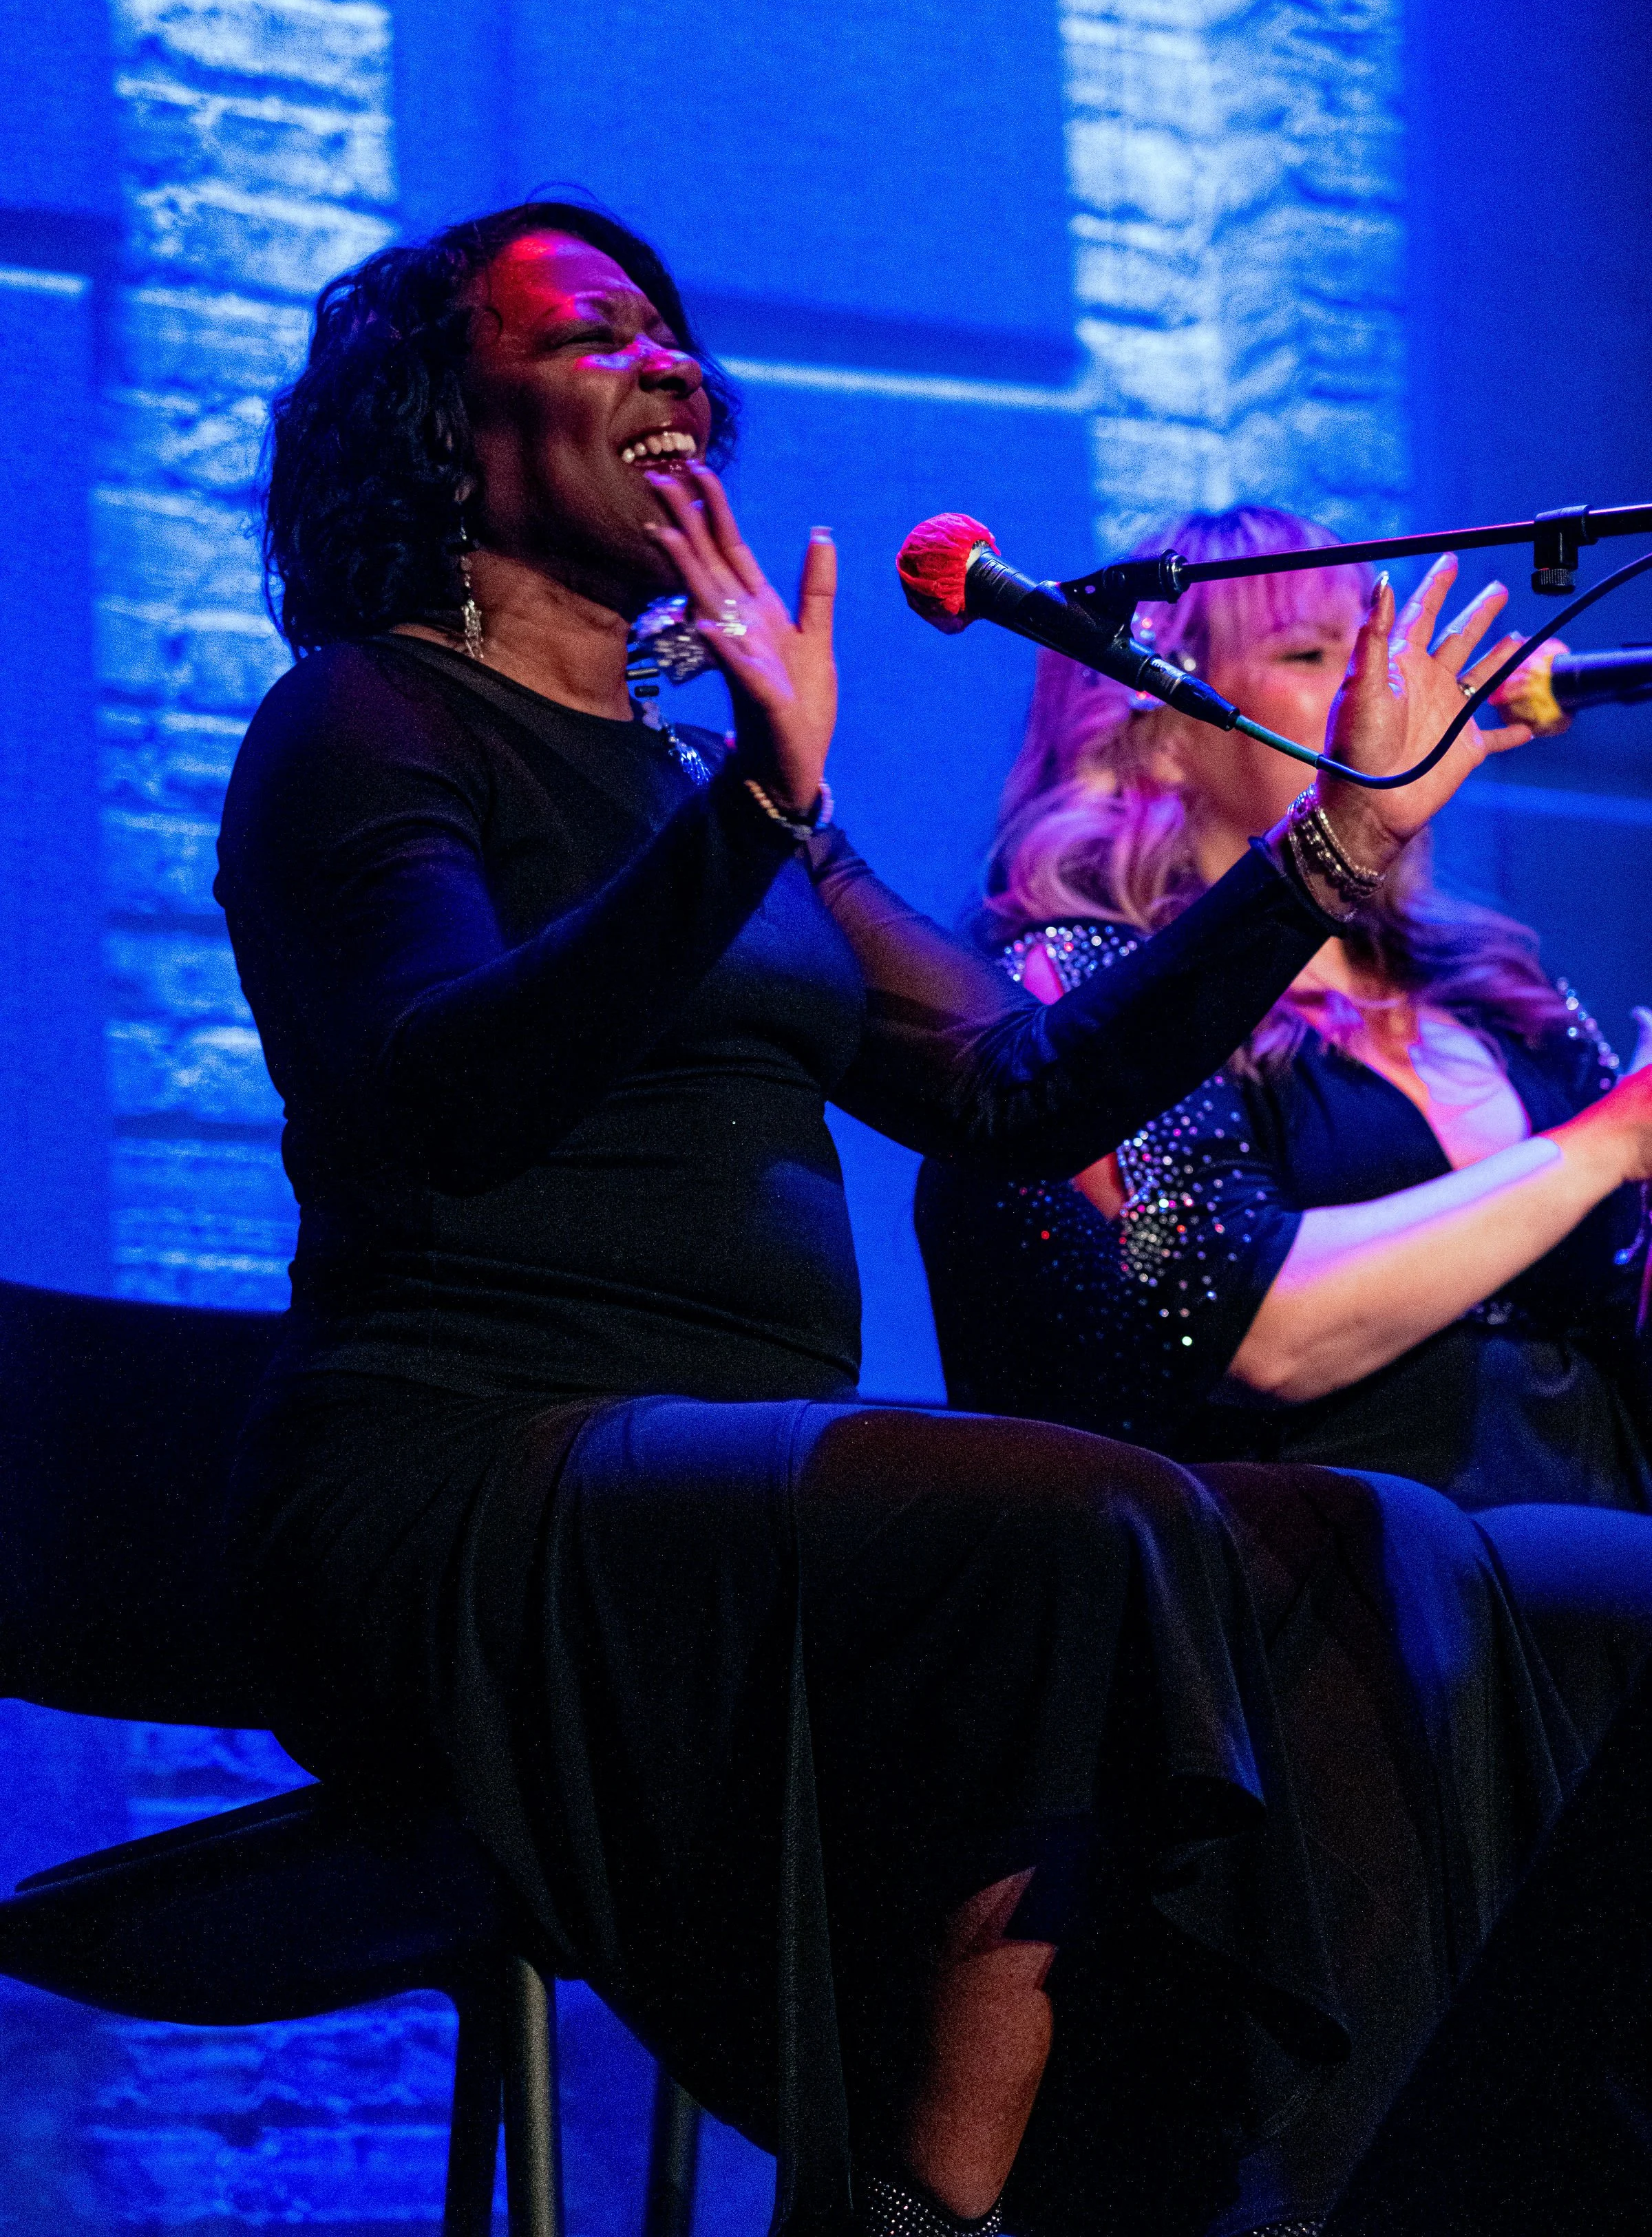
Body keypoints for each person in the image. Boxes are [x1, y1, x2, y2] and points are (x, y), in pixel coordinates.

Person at [219, 208, 1646, 2237]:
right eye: (596, 335)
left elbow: (1019, 1087)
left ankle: (1316, 2184)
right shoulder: (365, 724)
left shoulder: (726, 785)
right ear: (447, 431)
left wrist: (1342, 840)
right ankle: (929, 2210)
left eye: (676, 334)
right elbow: (437, 1096)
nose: (672, 370)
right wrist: (742, 822)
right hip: (466, 1485)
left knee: (1378, 1547)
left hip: (727, 1485)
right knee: (1093, 1519)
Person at [915, 505, 1652, 1520]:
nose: (1378, 685)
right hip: (1321, 1594)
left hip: (1591, 1572)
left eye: (1376, 645)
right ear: (1162, 732)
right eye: (1312, 654)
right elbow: (1259, 1327)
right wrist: (1605, 1145)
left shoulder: (1499, 994)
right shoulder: (1088, 986)